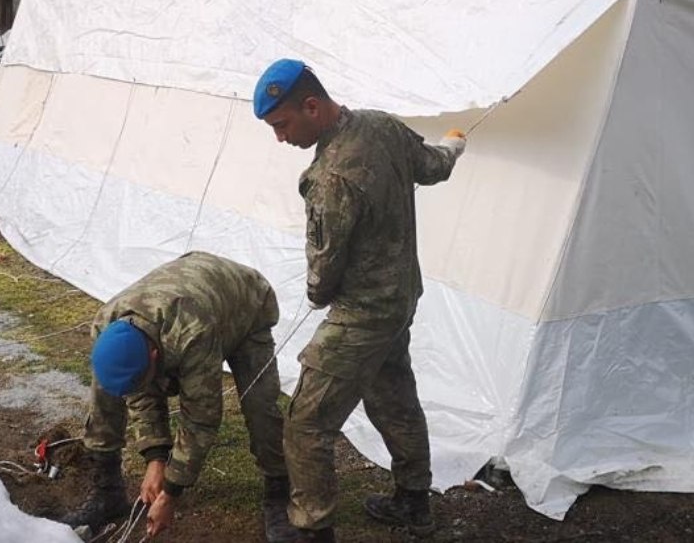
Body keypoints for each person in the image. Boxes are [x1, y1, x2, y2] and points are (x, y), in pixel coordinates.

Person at [253, 59, 467, 542]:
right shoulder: (382, 125)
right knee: (393, 396)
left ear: (312, 105)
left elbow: (323, 274)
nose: (280, 139)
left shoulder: (329, 178)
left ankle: (311, 530)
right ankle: (413, 500)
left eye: (282, 125)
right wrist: (456, 143)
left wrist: (316, 294)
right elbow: (434, 166)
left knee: (306, 422)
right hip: (400, 300)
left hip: (361, 317)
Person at [62, 251, 297, 542]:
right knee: (105, 390)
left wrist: (172, 490)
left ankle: (279, 491)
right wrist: (156, 457)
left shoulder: (191, 334)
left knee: (260, 406)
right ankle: (107, 491)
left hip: (246, 304)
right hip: (194, 298)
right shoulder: (106, 326)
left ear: (155, 354)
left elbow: (201, 417)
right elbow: (141, 393)